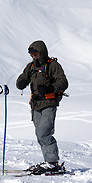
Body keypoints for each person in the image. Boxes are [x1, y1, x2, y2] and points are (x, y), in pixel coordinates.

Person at [16, 40, 68, 174]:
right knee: (40, 135)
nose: (33, 56)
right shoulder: (31, 67)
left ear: (42, 52)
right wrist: (21, 82)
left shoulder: (53, 65)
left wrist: (50, 88)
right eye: (31, 54)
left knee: (44, 133)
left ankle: (52, 163)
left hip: (49, 103)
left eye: (36, 53)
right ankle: (49, 162)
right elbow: (22, 79)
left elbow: (63, 82)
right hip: (35, 104)